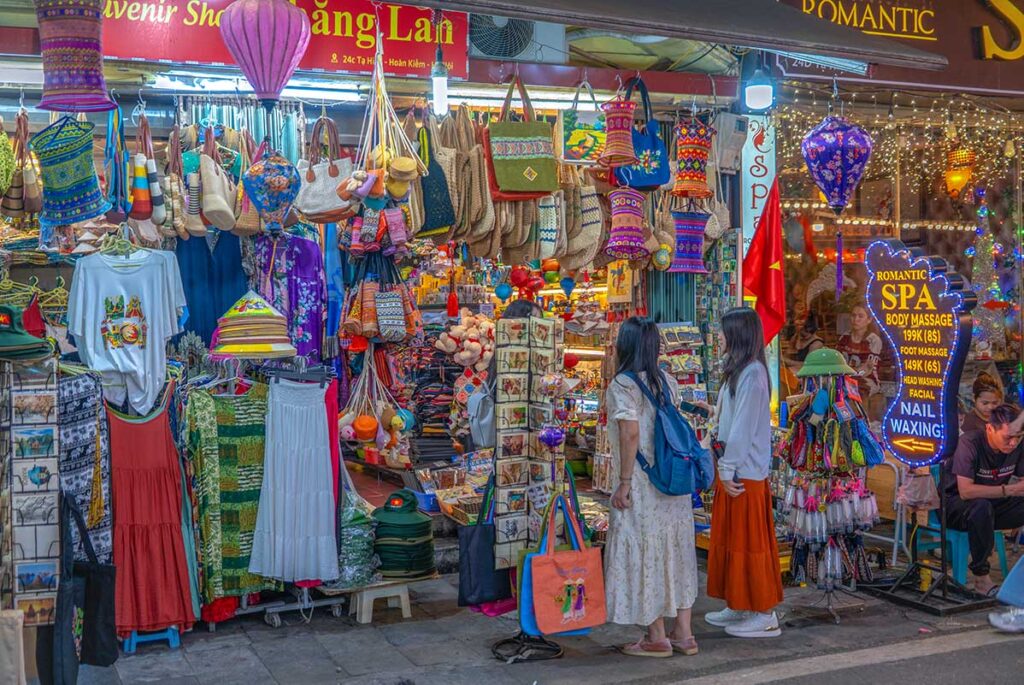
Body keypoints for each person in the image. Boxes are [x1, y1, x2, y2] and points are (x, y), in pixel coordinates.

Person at [605, 317, 698, 658]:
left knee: (646, 550)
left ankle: (657, 635)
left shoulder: (623, 385)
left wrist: (624, 483)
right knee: (675, 552)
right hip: (672, 483)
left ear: (625, 346)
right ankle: (685, 634)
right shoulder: (668, 381)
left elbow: (630, 434)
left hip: (644, 484)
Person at [701, 307, 783, 638]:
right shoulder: (739, 372)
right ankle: (740, 603)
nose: (718, 337)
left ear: (736, 334)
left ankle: (764, 612)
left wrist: (727, 467)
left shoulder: (753, 375)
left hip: (744, 473)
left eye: (723, 331)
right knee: (733, 541)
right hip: (734, 469)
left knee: (750, 543)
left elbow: (743, 428)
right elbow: (730, 418)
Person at [942, 403, 1024, 595]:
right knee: (981, 507)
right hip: (955, 505)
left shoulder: (1018, 447)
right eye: (1008, 438)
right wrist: (1009, 490)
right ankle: (981, 578)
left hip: (994, 502)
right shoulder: (970, 443)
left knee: (988, 506)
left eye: (1018, 438)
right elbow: (966, 492)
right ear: (990, 428)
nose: (1013, 443)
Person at [837, 303, 884, 417]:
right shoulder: (844, 337)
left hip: (867, 379)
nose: (856, 319)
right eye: (853, 316)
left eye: (860, 316)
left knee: (855, 390)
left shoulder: (873, 340)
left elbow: (867, 370)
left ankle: (860, 424)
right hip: (846, 377)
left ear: (869, 320)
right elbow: (837, 361)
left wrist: (849, 375)